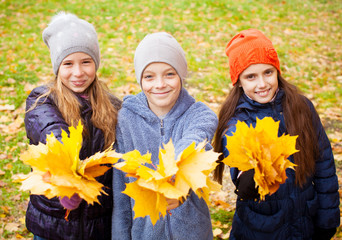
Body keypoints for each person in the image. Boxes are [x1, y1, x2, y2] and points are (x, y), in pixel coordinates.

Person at [213, 28, 340, 240]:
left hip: (305, 219)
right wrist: (249, 178)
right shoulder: (237, 123)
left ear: (277, 71)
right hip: (261, 228)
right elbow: (237, 161)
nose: (262, 84)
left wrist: (328, 217)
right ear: (238, 81)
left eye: (268, 72)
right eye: (251, 76)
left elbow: (324, 165)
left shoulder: (301, 108)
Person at [24, 12, 121, 240]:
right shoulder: (41, 100)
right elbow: (52, 133)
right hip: (55, 224)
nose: (78, 73)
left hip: (98, 225)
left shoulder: (113, 106)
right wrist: (66, 180)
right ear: (57, 66)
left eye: (86, 62)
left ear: (95, 63)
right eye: (68, 63)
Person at [112, 32, 218, 240]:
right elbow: (121, 190)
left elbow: (195, 140)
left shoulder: (199, 114)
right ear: (140, 79)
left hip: (193, 233)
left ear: (181, 75)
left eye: (169, 74)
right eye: (149, 76)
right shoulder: (126, 119)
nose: (160, 84)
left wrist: (175, 180)